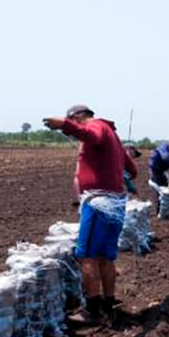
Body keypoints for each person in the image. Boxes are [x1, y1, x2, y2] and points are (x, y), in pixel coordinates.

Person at [43, 104, 137, 321]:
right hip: (114, 202)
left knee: (87, 256)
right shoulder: (112, 135)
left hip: (98, 203)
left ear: (77, 117)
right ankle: (108, 303)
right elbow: (131, 170)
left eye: (71, 126)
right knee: (106, 256)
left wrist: (64, 124)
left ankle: (93, 310)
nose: (70, 134)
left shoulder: (96, 127)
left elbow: (91, 137)